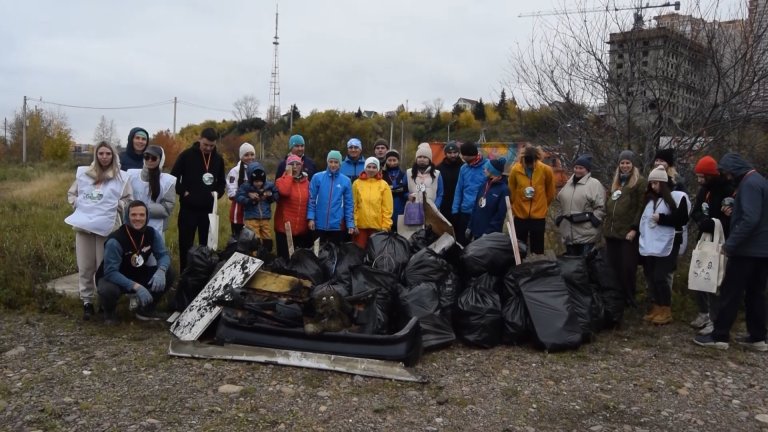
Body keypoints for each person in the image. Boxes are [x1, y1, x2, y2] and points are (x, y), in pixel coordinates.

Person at [695, 153, 768, 351]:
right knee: (755, 294)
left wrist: (731, 244)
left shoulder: (749, 184)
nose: (726, 177)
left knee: (731, 292)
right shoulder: (759, 181)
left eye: (726, 173)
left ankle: (719, 336)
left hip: (747, 250)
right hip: (762, 250)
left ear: (734, 170)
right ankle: (758, 337)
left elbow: (750, 219)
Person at [65, 141, 132, 320]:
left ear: (113, 155)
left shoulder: (121, 178)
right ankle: (87, 301)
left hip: (108, 228)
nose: (104, 157)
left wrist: (118, 205)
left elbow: (128, 199)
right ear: (96, 155)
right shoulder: (85, 175)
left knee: (104, 266)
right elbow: (72, 194)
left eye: (107, 154)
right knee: (86, 265)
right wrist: (79, 203)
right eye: (101, 153)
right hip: (85, 227)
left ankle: (105, 302)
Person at [96, 200, 174, 323]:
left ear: (147, 216)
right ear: (127, 216)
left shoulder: (151, 233)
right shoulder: (115, 240)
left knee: (168, 272)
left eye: (142, 215)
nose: (138, 218)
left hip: (138, 273)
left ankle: (146, 309)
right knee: (108, 290)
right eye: (133, 215)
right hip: (116, 278)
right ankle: (109, 313)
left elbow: (163, 255)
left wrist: (161, 270)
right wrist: (137, 287)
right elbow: (110, 272)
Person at [687, 155, 734, 335]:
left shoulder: (726, 190)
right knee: (700, 274)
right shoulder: (704, 191)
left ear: (711, 175)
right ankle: (703, 312)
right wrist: (701, 221)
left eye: (702, 177)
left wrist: (715, 222)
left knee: (715, 280)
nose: (699, 180)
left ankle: (715, 319)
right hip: (704, 238)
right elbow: (696, 210)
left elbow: (729, 215)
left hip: (721, 239)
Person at [639, 166, 690, 326]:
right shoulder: (651, 199)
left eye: (656, 183)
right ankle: (657, 306)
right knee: (652, 277)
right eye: (651, 184)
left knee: (661, 277)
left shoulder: (678, 197)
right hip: (651, 243)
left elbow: (681, 219)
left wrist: (662, 219)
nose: (653, 187)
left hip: (668, 243)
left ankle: (666, 309)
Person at [170, 127, 226, 272]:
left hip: (208, 211)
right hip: (188, 209)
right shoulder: (186, 155)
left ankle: (203, 276)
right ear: (200, 140)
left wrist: (216, 194)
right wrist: (184, 192)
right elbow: (173, 177)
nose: (208, 148)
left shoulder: (218, 159)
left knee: (206, 246)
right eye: (205, 144)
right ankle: (184, 274)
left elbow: (222, 182)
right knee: (185, 245)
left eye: (211, 146)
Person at [603, 150, 647, 310]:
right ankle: (617, 299)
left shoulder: (639, 182)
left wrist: (634, 228)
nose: (625, 166)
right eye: (622, 163)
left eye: (628, 163)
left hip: (628, 234)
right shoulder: (616, 183)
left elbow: (641, 207)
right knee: (613, 266)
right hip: (612, 232)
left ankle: (630, 299)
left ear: (633, 164)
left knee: (628, 267)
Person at [507, 144, 556, 255]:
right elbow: (512, 190)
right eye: (527, 162)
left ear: (537, 159)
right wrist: (515, 205)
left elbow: (550, 192)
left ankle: (537, 268)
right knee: (519, 247)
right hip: (520, 215)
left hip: (538, 216)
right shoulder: (515, 169)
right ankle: (520, 268)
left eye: (531, 162)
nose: (529, 165)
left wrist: (542, 205)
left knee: (538, 247)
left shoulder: (546, 170)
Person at [554, 154, 606, 256]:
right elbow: (561, 202)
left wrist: (594, 220)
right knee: (573, 267)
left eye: (581, 168)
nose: (577, 170)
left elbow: (601, 207)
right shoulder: (568, 184)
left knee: (586, 265)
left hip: (587, 234)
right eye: (576, 167)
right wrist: (559, 218)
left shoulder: (594, 184)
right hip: (569, 234)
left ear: (587, 169)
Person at [126, 145, 176, 236]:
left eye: (153, 158)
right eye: (146, 157)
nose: (149, 160)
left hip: (156, 227)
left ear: (161, 160)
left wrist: (142, 209)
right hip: (132, 224)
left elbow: (167, 207)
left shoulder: (167, 182)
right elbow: (125, 199)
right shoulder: (131, 175)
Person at [308, 150, 355, 244]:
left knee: (335, 254)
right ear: (327, 162)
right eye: (331, 161)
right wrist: (311, 218)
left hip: (337, 226)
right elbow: (311, 200)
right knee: (318, 254)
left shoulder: (346, 181)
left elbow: (349, 204)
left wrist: (350, 223)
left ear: (340, 163)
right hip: (319, 225)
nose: (333, 165)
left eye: (336, 162)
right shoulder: (317, 178)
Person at [275, 155, 312, 260]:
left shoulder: (307, 183)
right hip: (284, 230)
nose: (295, 167)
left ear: (302, 166)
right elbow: (285, 192)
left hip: (301, 230)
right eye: (291, 164)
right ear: (287, 166)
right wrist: (289, 175)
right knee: (284, 261)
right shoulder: (280, 181)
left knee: (298, 262)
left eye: (298, 164)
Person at [236, 162, 279, 253]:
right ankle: (254, 258)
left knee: (267, 237)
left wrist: (269, 196)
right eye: (256, 181)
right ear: (251, 180)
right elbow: (238, 197)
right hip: (251, 218)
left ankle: (266, 257)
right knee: (254, 239)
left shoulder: (269, 185)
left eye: (261, 181)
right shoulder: (246, 187)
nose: (259, 183)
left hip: (265, 217)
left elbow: (276, 194)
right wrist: (249, 198)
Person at [352, 157, 393, 248]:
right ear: (365, 168)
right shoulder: (356, 184)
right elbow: (353, 205)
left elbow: (387, 208)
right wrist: (353, 224)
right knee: (358, 252)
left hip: (377, 228)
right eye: (369, 167)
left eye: (374, 167)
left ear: (378, 169)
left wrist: (386, 226)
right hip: (360, 227)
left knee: (374, 254)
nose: (371, 169)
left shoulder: (384, 185)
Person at [452, 142, 486, 246]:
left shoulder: (487, 166)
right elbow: (459, 190)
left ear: (469, 155)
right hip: (465, 210)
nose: (461, 156)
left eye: (463, 154)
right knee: (462, 241)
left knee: (479, 243)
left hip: (481, 211)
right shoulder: (464, 168)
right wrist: (455, 210)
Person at [467, 158, 509, 241]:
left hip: (490, 235)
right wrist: (470, 226)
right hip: (477, 232)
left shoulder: (503, 189)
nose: (484, 170)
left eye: (486, 168)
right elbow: (476, 207)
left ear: (492, 171)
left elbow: (500, 215)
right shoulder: (483, 185)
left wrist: (489, 232)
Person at [226, 142, 256, 239]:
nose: (250, 157)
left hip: (253, 212)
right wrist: (248, 195)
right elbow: (231, 192)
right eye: (246, 155)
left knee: (252, 242)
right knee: (238, 241)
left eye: (252, 154)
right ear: (241, 156)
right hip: (238, 212)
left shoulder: (257, 169)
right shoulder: (235, 171)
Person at [407, 143, 444, 208]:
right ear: (416, 159)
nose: (422, 159)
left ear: (429, 160)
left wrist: (436, 206)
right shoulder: (409, 173)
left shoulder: (437, 174)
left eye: (425, 157)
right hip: (414, 210)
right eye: (419, 157)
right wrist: (408, 195)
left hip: (432, 210)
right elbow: (403, 191)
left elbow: (440, 194)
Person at [437, 141, 463, 224]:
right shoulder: (438, 168)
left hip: (460, 205)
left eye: (455, 152)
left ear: (458, 153)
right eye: (450, 153)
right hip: (444, 206)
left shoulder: (464, 167)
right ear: (445, 153)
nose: (452, 155)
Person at [382, 149, 408, 232]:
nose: (392, 163)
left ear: (398, 161)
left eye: (394, 160)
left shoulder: (404, 174)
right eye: (389, 160)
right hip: (384, 209)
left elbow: (405, 189)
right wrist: (397, 190)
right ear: (386, 161)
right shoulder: (381, 174)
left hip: (400, 208)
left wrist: (391, 190)